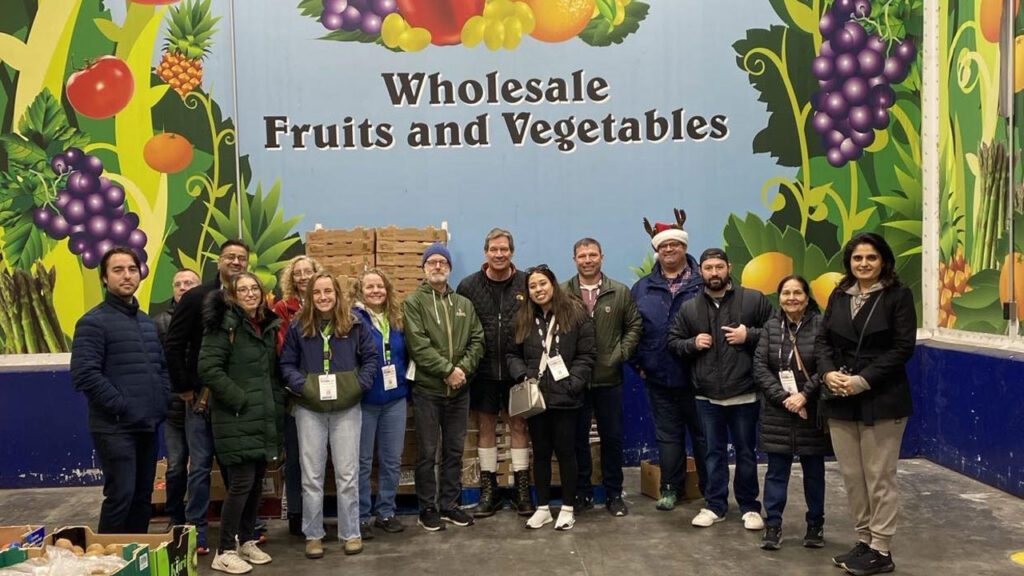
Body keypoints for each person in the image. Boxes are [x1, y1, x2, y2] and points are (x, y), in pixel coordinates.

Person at [816, 232, 916, 576]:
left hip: (882, 399)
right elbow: (823, 340)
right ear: (849, 262)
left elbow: (902, 348)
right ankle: (864, 540)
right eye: (857, 258)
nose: (863, 264)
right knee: (853, 476)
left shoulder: (898, 296)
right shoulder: (839, 294)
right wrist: (829, 374)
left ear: (883, 260)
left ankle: (882, 548)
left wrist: (862, 381)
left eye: (870, 258)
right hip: (840, 398)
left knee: (879, 476)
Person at [667, 247, 772, 530]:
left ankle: (750, 507)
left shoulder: (753, 300)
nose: (714, 273)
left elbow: (776, 332)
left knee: (746, 452)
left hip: (745, 392)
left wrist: (748, 335)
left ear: (729, 267)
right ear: (700, 271)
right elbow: (673, 341)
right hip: (707, 396)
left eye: (719, 267)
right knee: (712, 453)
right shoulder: (690, 307)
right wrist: (692, 344)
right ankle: (715, 505)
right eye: (708, 268)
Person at [70, 247, 170, 534]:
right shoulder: (92, 322)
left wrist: (161, 400)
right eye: (118, 270)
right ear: (104, 278)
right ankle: (108, 558)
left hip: (147, 426)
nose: (127, 275)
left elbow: (160, 367)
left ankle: (136, 554)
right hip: (115, 429)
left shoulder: (146, 322)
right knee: (121, 497)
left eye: (131, 269)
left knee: (142, 499)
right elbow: (84, 374)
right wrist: (122, 405)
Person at [280, 272, 377, 558]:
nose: (323, 298)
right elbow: (286, 365)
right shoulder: (299, 326)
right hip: (309, 409)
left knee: (348, 473)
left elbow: (371, 359)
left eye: (328, 292)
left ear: (337, 294)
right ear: (310, 296)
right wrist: (304, 386)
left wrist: (359, 385)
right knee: (312, 475)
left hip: (347, 408)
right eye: (317, 293)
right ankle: (313, 535)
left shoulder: (355, 323)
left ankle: (351, 533)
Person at [163, 239, 250, 554]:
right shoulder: (196, 297)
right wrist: (185, 386)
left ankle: (244, 528)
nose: (236, 262)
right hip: (200, 398)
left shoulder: (249, 298)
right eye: (230, 256)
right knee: (199, 466)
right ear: (218, 260)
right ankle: (196, 531)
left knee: (235, 465)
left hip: (236, 399)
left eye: (242, 258)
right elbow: (173, 344)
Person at [198, 272, 280, 574]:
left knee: (256, 481)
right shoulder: (224, 325)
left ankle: (246, 540)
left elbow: (269, 373)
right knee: (241, 483)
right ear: (232, 294)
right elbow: (208, 368)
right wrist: (240, 399)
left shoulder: (265, 326)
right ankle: (224, 550)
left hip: (261, 414)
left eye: (253, 288)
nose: (249, 294)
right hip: (236, 415)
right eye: (242, 289)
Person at [404, 243, 485, 531]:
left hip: (459, 391)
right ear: (424, 268)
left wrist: (462, 370)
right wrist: (447, 371)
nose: (437, 266)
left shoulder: (463, 304)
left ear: (449, 267)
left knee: (453, 451)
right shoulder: (414, 303)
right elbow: (418, 346)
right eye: (432, 262)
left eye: (442, 262)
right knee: (427, 453)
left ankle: (450, 505)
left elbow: (478, 340)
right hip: (428, 391)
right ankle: (427, 507)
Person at [508, 265, 596, 531]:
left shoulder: (575, 313)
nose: (538, 290)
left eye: (543, 284)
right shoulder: (522, 318)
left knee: (567, 453)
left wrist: (574, 382)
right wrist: (523, 375)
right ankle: (543, 508)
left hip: (567, 398)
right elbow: (512, 354)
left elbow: (587, 354)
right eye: (533, 286)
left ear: (553, 284)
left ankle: (568, 508)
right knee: (541, 454)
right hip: (536, 399)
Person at [630, 213, 707, 511]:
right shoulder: (642, 288)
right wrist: (640, 363)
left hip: (699, 377)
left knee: (704, 436)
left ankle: (711, 490)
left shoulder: (703, 283)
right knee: (668, 437)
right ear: (657, 251)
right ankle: (670, 488)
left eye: (675, 245)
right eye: (663, 247)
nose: (669, 250)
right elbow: (631, 329)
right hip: (659, 377)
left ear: (684, 248)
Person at [456, 228, 533, 517]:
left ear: (512, 251)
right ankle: (489, 490)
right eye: (493, 249)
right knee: (485, 429)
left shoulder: (527, 282)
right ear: (485, 252)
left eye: (504, 249)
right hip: (483, 371)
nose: (499, 254)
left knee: (519, 428)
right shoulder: (468, 286)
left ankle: (521, 489)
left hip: (518, 372)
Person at [563, 238, 642, 516]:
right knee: (577, 440)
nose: (587, 260)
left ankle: (613, 494)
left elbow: (634, 325)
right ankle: (582, 493)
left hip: (610, 379)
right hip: (575, 382)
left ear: (602, 257)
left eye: (592, 254)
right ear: (574, 259)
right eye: (582, 255)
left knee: (612, 438)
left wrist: (620, 353)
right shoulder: (563, 292)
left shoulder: (619, 291)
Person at [752, 275, 830, 550]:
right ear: (779, 298)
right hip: (779, 412)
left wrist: (803, 396)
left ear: (807, 298)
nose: (792, 298)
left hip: (811, 412)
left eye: (798, 293)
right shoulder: (771, 327)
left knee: (814, 472)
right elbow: (760, 367)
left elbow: (826, 366)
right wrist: (785, 398)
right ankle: (772, 525)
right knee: (776, 471)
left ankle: (815, 525)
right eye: (786, 293)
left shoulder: (821, 326)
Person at [352, 269, 411, 539]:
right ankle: (362, 516)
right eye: (370, 287)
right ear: (360, 291)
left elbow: (406, 354)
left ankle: (386, 511)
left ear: (387, 290)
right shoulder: (354, 319)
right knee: (362, 462)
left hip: (395, 399)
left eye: (380, 286)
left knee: (391, 460)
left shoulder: (397, 319)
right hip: (364, 401)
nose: (376, 291)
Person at [271, 255, 323, 536]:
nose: (303, 277)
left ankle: (317, 513)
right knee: (295, 456)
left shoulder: (327, 304)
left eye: (308, 272)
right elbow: (282, 349)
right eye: (298, 273)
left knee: (318, 458)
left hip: (327, 392)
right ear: (291, 279)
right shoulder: (282, 309)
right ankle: (296, 513)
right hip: (295, 391)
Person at [153, 268, 201, 530]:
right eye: (178, 283)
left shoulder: (209, 316)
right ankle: (175, 517)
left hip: (203, 406)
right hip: (173, 411)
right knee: (175, 466)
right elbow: (157, 364)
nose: (183, 287)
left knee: (201, 467)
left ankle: (198, 517)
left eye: (189, 283)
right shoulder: (159, 322)